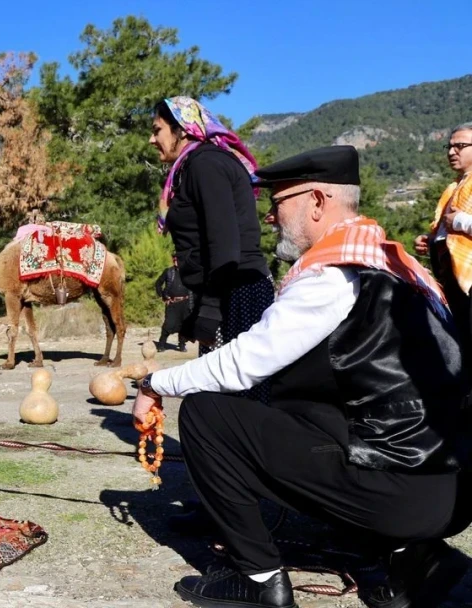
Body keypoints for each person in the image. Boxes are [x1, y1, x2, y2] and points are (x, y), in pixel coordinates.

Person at [132, 145, 470, 608]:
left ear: (316, 201)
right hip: (452, 490)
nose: (270, 219)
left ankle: (258, 580)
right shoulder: (396, 267)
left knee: (206, 413)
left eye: (277, 204)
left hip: (401, 492)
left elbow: (242, 364)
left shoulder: (333, 276)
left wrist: (154, 384)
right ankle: (404, 556)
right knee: (303, 404)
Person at [150, 97, 274, 383]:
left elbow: (225, 245)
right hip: (225, 292)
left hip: (238, 292)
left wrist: (209, 308)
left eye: (157, 130)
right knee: (217, 394)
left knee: (232, 395)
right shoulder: (193, 166)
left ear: (182, 129)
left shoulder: (206, 164)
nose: (151, 139)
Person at [415, 122, 472, 347]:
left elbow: (456, 224)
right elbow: (448, 232)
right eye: (449, 146)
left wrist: (459, 221)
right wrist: (430, 241)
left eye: (460, 146)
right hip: (454, 284)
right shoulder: (454, 188)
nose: (451, 152)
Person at [154, 255, 190, 352]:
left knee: (184, 325)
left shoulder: (187, 273)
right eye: (174, 259)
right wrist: (163, 296)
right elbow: (158, 283)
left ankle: (182, 345)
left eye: (178, 259)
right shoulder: (169, 271)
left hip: (185, 303)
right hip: (172, 303)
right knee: (168, 324)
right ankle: (161, 344)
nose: (176, 261)